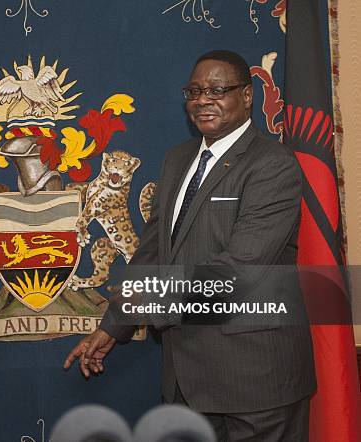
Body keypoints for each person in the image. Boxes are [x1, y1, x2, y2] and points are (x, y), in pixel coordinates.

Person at [64, 50, 316, 440]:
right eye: (194, 91)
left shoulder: (272, 164)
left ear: (247, 96)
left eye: (218, 90)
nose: (203, 100)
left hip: (255, 381)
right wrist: (114, 325)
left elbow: (238, 268)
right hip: (186, 379)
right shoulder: (178, 159)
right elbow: (152, 250)